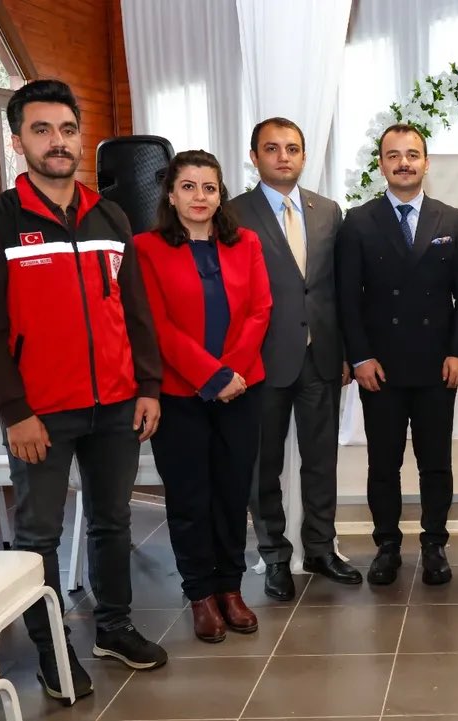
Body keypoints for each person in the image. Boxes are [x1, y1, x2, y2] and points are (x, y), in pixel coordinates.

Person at [0, 79, 167, 702]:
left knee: (111, 521)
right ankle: (52, 650)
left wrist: (148, 385)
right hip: (41, 414)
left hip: (116, 405)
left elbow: (135, 310)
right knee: (38, 537)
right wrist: (14, 411)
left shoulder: (110, 216)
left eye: (68, 130)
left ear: (81, 138)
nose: (58, 142)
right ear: (18, 140)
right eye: (42, 130)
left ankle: (114, 628)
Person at [134, 150, 271, 642]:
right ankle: (200, 594)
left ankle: (230, 588)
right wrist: (211, 376)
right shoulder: (146, 248)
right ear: (171, 196)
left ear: (220, 195)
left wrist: (231, 374)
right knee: (190, 497)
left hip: (241, 390)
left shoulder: (246, 242)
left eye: (208, 188)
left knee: (233, 494)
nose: (199, 196)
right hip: (180, 395)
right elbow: (156, 324)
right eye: (188, 187)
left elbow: (260, 309)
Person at [336, 124, 458, 586]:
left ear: (426, 163)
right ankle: (387, 545)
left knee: (435, 462)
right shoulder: (358, 221)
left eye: (412, 154)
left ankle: (434, 543)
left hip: (437, 365)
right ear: (381, 164)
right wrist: (360, 357)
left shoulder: (451, 219)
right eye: (393, 155)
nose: (403, 163)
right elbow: (347, 298)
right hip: (381, 367)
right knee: (384, 463)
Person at [231, 117, 361, 598]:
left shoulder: (327, 211)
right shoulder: (233, 213)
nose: (283, 156)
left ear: (304, 156)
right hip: (261, 360)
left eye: (292, 148)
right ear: (255, 156)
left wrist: (344, 351)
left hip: (321, 357)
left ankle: (321, 548)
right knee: (263, 465)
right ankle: (275, 555)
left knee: (321, 460)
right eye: (272, 148)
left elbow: (336, 288)